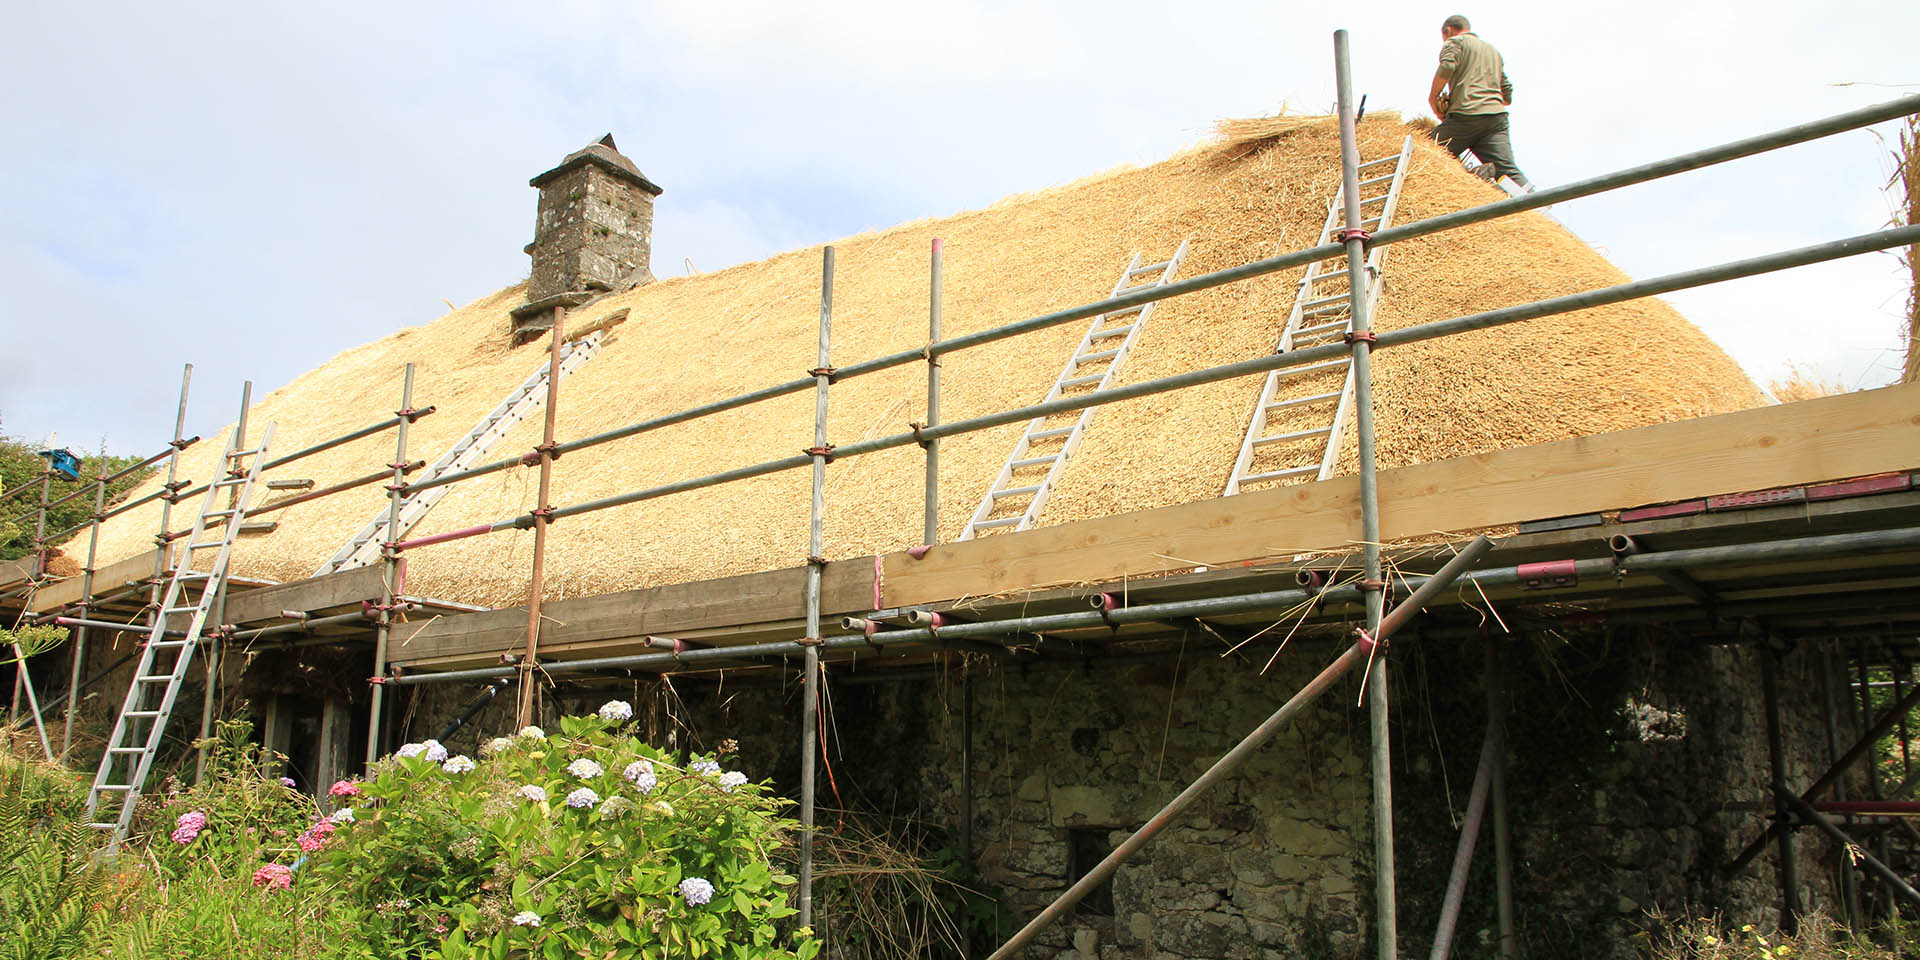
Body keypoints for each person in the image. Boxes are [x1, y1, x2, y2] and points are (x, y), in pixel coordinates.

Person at [1427, 15, 1531, 189]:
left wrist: (1433, 98)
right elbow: (1507, 96)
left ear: (1448, 31)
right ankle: (1537, 207)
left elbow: (1447, 67)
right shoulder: (1493, 52)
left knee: (1427, 151)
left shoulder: (1455, 42)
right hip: (1496, 119)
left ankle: (1453, 188)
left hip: (1466, 116)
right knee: (1508, 171)